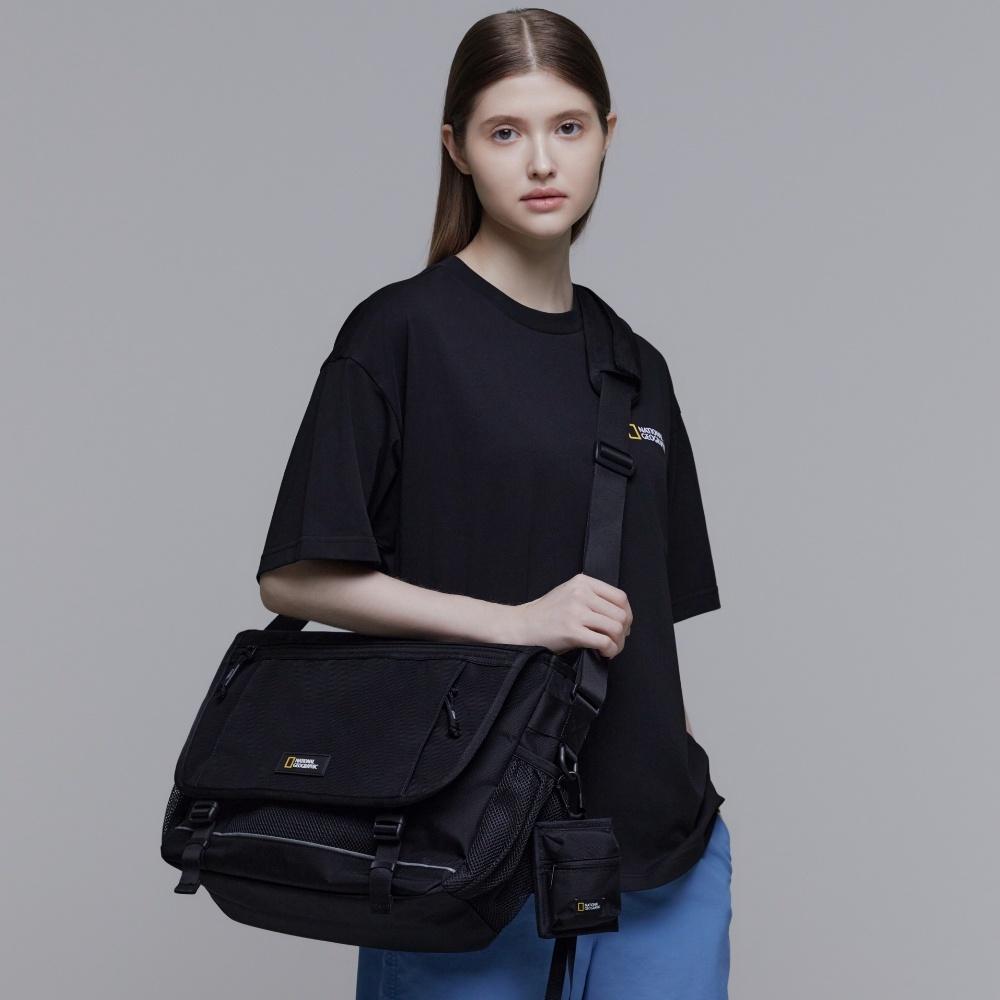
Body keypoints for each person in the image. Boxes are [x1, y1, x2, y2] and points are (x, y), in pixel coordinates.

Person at [256, 8, 732, 999]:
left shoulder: (638, 368)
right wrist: (515, 622)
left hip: (659, 860)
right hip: (459, 855)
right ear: (457, 149)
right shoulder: (399, 333)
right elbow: (295, 576)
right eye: (505, 131)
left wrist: (680, 771)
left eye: (568, 127)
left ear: (607, 134)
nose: (542, 161)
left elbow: (654, 625)